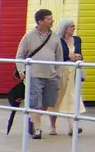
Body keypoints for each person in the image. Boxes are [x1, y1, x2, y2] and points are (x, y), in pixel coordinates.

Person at [12, 9, 59, 140]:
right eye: (49, 19)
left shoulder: (55, 37)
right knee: (35, 102)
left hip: (51, 75)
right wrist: (22, 70)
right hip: (34, 75)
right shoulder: (29, 36)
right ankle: (37, 129)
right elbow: (20, 56)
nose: (52, 21)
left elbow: (59, 58)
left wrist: (58, 74)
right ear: (40, 21)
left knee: (47, 103)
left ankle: (32, 119)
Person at [49, 18, 85, 136]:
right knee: (57, 98)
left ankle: (72, 127)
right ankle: (53, 126)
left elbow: (80, 53)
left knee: (71, 97)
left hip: (74, 71)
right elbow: (56, 56)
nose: (74, 28)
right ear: (65, 27)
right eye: (71, 26)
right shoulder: (57, 40)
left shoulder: (77, 40)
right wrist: (70, 58)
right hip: (61, 71)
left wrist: (79, 57)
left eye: (74, 26)